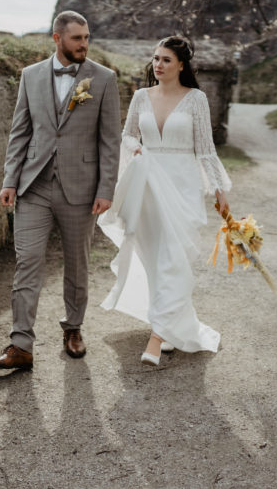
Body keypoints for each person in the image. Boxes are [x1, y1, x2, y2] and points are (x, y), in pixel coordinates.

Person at [0, 10, 121, 371]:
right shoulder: (30, 76)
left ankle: (73, 328)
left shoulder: (103, 79)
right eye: (77, 38)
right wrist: (9, 180)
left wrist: (106, 188)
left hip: (81, 188)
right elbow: (20, 132)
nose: (84, 44)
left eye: (87, 37)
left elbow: (110, 140)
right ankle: (20, 345)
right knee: (27, 262)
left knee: (77, 264)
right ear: (57, 38)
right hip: (34, 185)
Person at [97, 35, 231, 366]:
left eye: (166, 60)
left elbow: (205, 148)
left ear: (181, 65)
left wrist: (218, 188)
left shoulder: (196, 99)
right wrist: (136, 147)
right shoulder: (141, 96)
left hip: (182, 186)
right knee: (155, 257)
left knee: (175, 257)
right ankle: (169, 323)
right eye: (155, 59)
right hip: (148, 184)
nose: (158, 65)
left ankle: (157, 337)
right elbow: (127, 134)